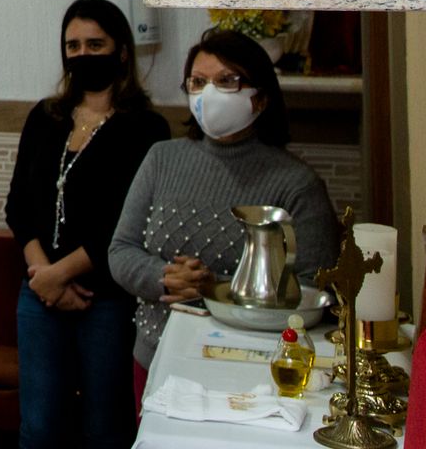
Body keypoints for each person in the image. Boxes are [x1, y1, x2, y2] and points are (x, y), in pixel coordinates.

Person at [108, 29, 340, 394]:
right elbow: (121, 250)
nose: (209, 93)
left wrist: (214, 287)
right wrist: (164, 276)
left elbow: (314, 288)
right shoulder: (161, 159)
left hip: (253, 368)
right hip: (156, 357)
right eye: (198, 82)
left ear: (260, 98)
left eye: (226, 81)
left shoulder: (297, 183)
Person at [3, 0, 168, 449]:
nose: (82, 54)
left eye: (95, 43)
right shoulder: (45, 117)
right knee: (39, 428)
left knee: (106, 428)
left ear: (121, 51)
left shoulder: (145, 129)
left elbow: (126, 221)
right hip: (38, 295)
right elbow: (19, 205)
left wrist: (61, 274)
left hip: (107, 297)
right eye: (72, 45)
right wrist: (42, 276)